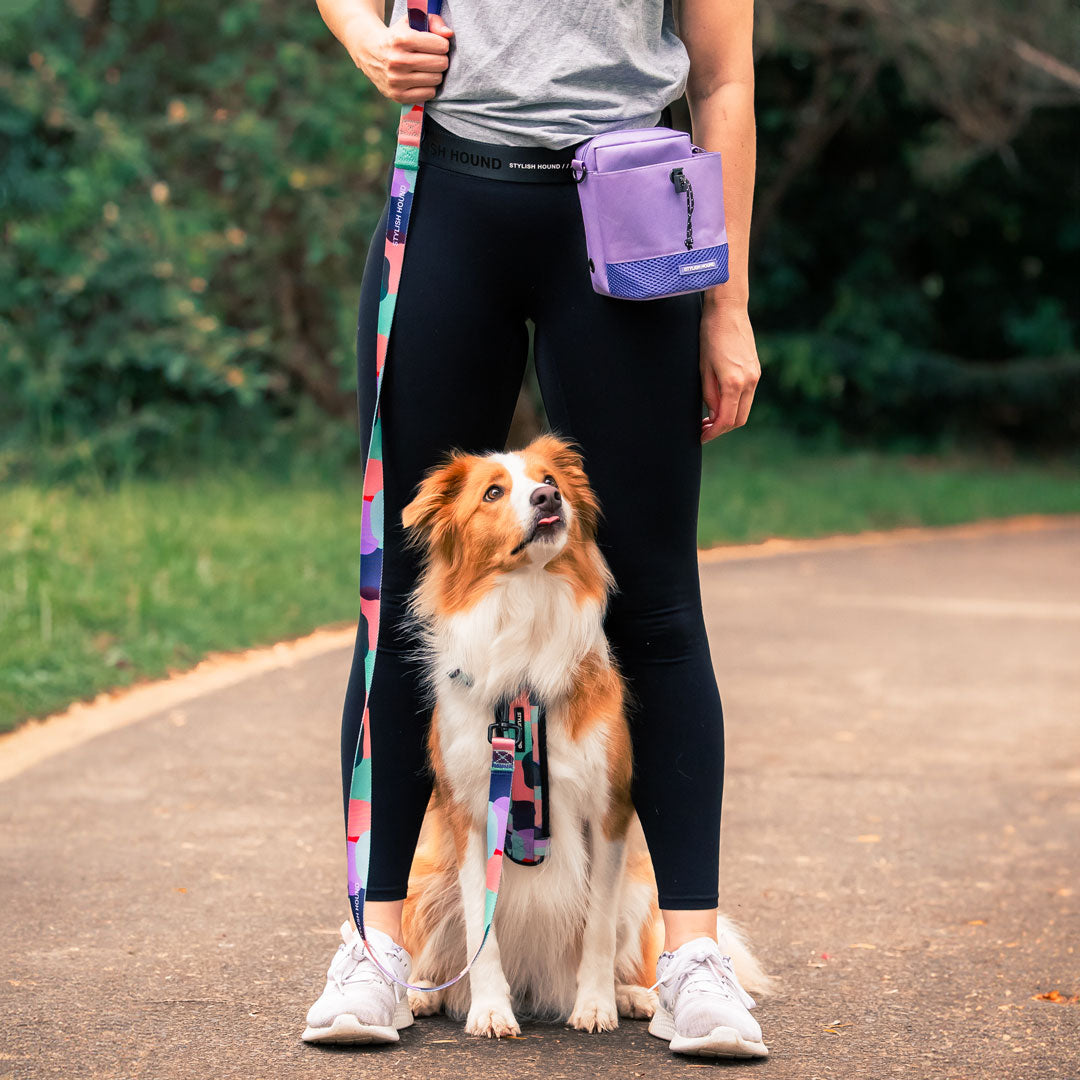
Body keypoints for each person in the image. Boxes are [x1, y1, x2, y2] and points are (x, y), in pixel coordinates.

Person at [305, 0, 764, 1059]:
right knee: (399, 605)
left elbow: (724, 81)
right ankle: (375, 946)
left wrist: (727, 304)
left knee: (655, 594)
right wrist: (366, 40)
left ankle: (691, 958)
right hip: (451, 192)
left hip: (633, 197)